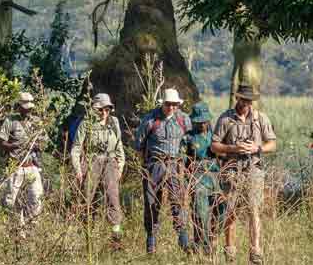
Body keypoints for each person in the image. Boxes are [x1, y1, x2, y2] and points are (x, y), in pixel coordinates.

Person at [211, 84, 276, 265]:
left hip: (254, 169)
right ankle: (230, 251)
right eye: (243, 99)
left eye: (249, 100)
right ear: (237, 98)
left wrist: (258, 148)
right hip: (231, 169)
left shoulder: (260, 118)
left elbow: (273, 144)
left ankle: (255, 252)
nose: (246, 103)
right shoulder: (225, 119)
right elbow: (214, 146)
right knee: (230, 210)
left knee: (254, 210)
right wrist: (233, 148)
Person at [135, 88, 192, 254]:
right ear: (163, 103)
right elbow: (139, 145)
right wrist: (145, 167)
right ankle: (151, 243)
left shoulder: (183, 119)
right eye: (168, 104)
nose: (171, 108)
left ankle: (184, 242)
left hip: (175, 165)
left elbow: (190, 142)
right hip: (154, 164)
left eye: (175, 105)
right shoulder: (150, 119)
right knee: (152, 202)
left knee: (178, 202)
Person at [71, 93, 125, 248]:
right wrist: (78, 170)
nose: (104, 112)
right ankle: (87, 239)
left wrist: (120, 165)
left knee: (113, 199)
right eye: (101, 109)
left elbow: (119, 145)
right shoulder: (86, 124)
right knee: (87, 200)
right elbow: (76, 148)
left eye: (107, 109)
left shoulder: (114, 122)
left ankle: (116, 239)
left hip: (110, 162)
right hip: (91, 162)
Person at [181, 102, 224, 255]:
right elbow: (182, 162)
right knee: (201, 213)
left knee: (223, 210)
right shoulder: (188, 138)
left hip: (215, 177)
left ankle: (213, 238)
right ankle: (204, 248)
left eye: (204, 121)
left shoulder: (215, 136)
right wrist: (186, 181)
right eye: (198, 122)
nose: (202, 124)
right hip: (197, 178)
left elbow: (224, 155)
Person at [0, 92, 44, 224]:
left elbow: (43, 142)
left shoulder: (36, 122)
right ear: (19, 106)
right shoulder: (10, 121)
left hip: (32, 166)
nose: (29, 110)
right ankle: (14, 228)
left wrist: (36, 145)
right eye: (26, 107)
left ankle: (32, 227)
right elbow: (1, 142)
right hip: (15, 167)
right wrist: (15, 146)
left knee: (36, 197)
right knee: (10, 201)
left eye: (30, 108)